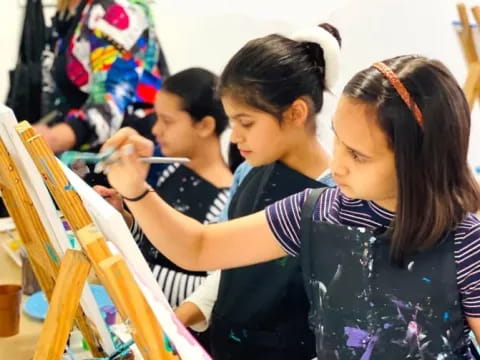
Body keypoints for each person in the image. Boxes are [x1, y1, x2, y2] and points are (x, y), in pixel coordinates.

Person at [102, 55, 480, 358]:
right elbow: (199, 246)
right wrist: (136, 192)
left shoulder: (465, 244)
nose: (336, 165)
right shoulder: (317, 211)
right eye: (338, 141)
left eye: (358, 155)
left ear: (416, 161)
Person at [172, 24, 340, 360]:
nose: (234, 138)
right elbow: (226, 266)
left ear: (296, 113)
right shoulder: (249, 173)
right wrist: (179, 320)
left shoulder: (339, 198)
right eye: (232, 122)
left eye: (246, 123)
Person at [95, 68, 233, 311]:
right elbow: (153, 245)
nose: (156, 130)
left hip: (177, 334)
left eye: (167, 121)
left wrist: (125, 267)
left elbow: (209, 292)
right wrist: (125, 219)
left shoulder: (225, 201)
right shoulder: (173, 171)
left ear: (205, 126)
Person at [34, 0, 166, 153]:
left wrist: (53, 138)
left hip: (125, 154)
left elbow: (111, 105)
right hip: (87, 152)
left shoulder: (115, 12)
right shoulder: (69, 12)